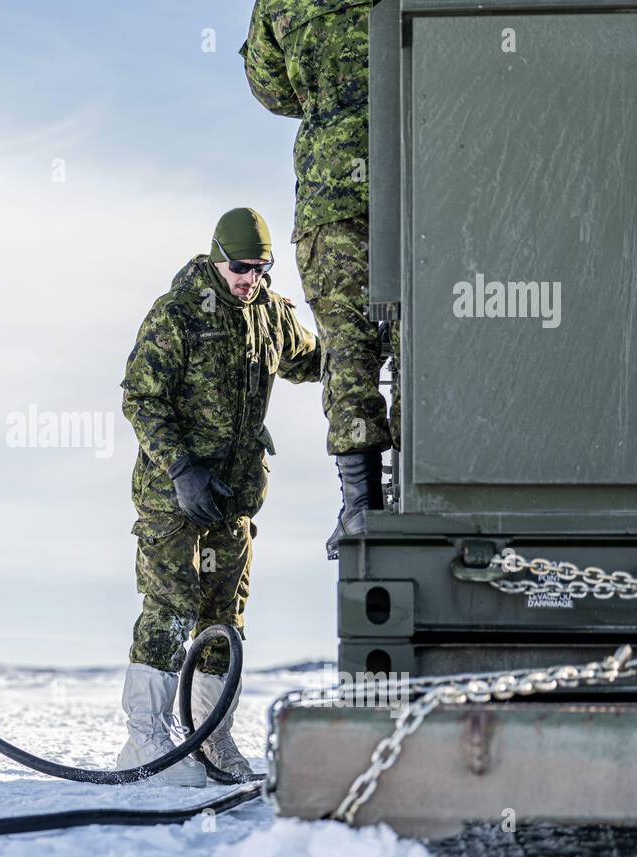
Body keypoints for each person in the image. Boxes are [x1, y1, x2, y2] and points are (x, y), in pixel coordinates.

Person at [117, 208, 321, 785]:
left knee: (224, 620)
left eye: (260, 269)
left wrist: (366, 340)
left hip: (233, 499)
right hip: (173, 497)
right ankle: (146, 742)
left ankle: (211, 739)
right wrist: (182, 469)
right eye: (239, 268)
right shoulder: (177, 312)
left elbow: (315, 360)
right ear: (216, 257)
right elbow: (140, 397)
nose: (248, 279)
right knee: (171, 609)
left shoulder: (270, 316)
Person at [242, 0, 398, 560]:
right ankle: (427, 489)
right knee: (420, 342)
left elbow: (270, 87)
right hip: (414, 167)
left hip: (330, 192)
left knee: (347, 350)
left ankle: (362, 504)